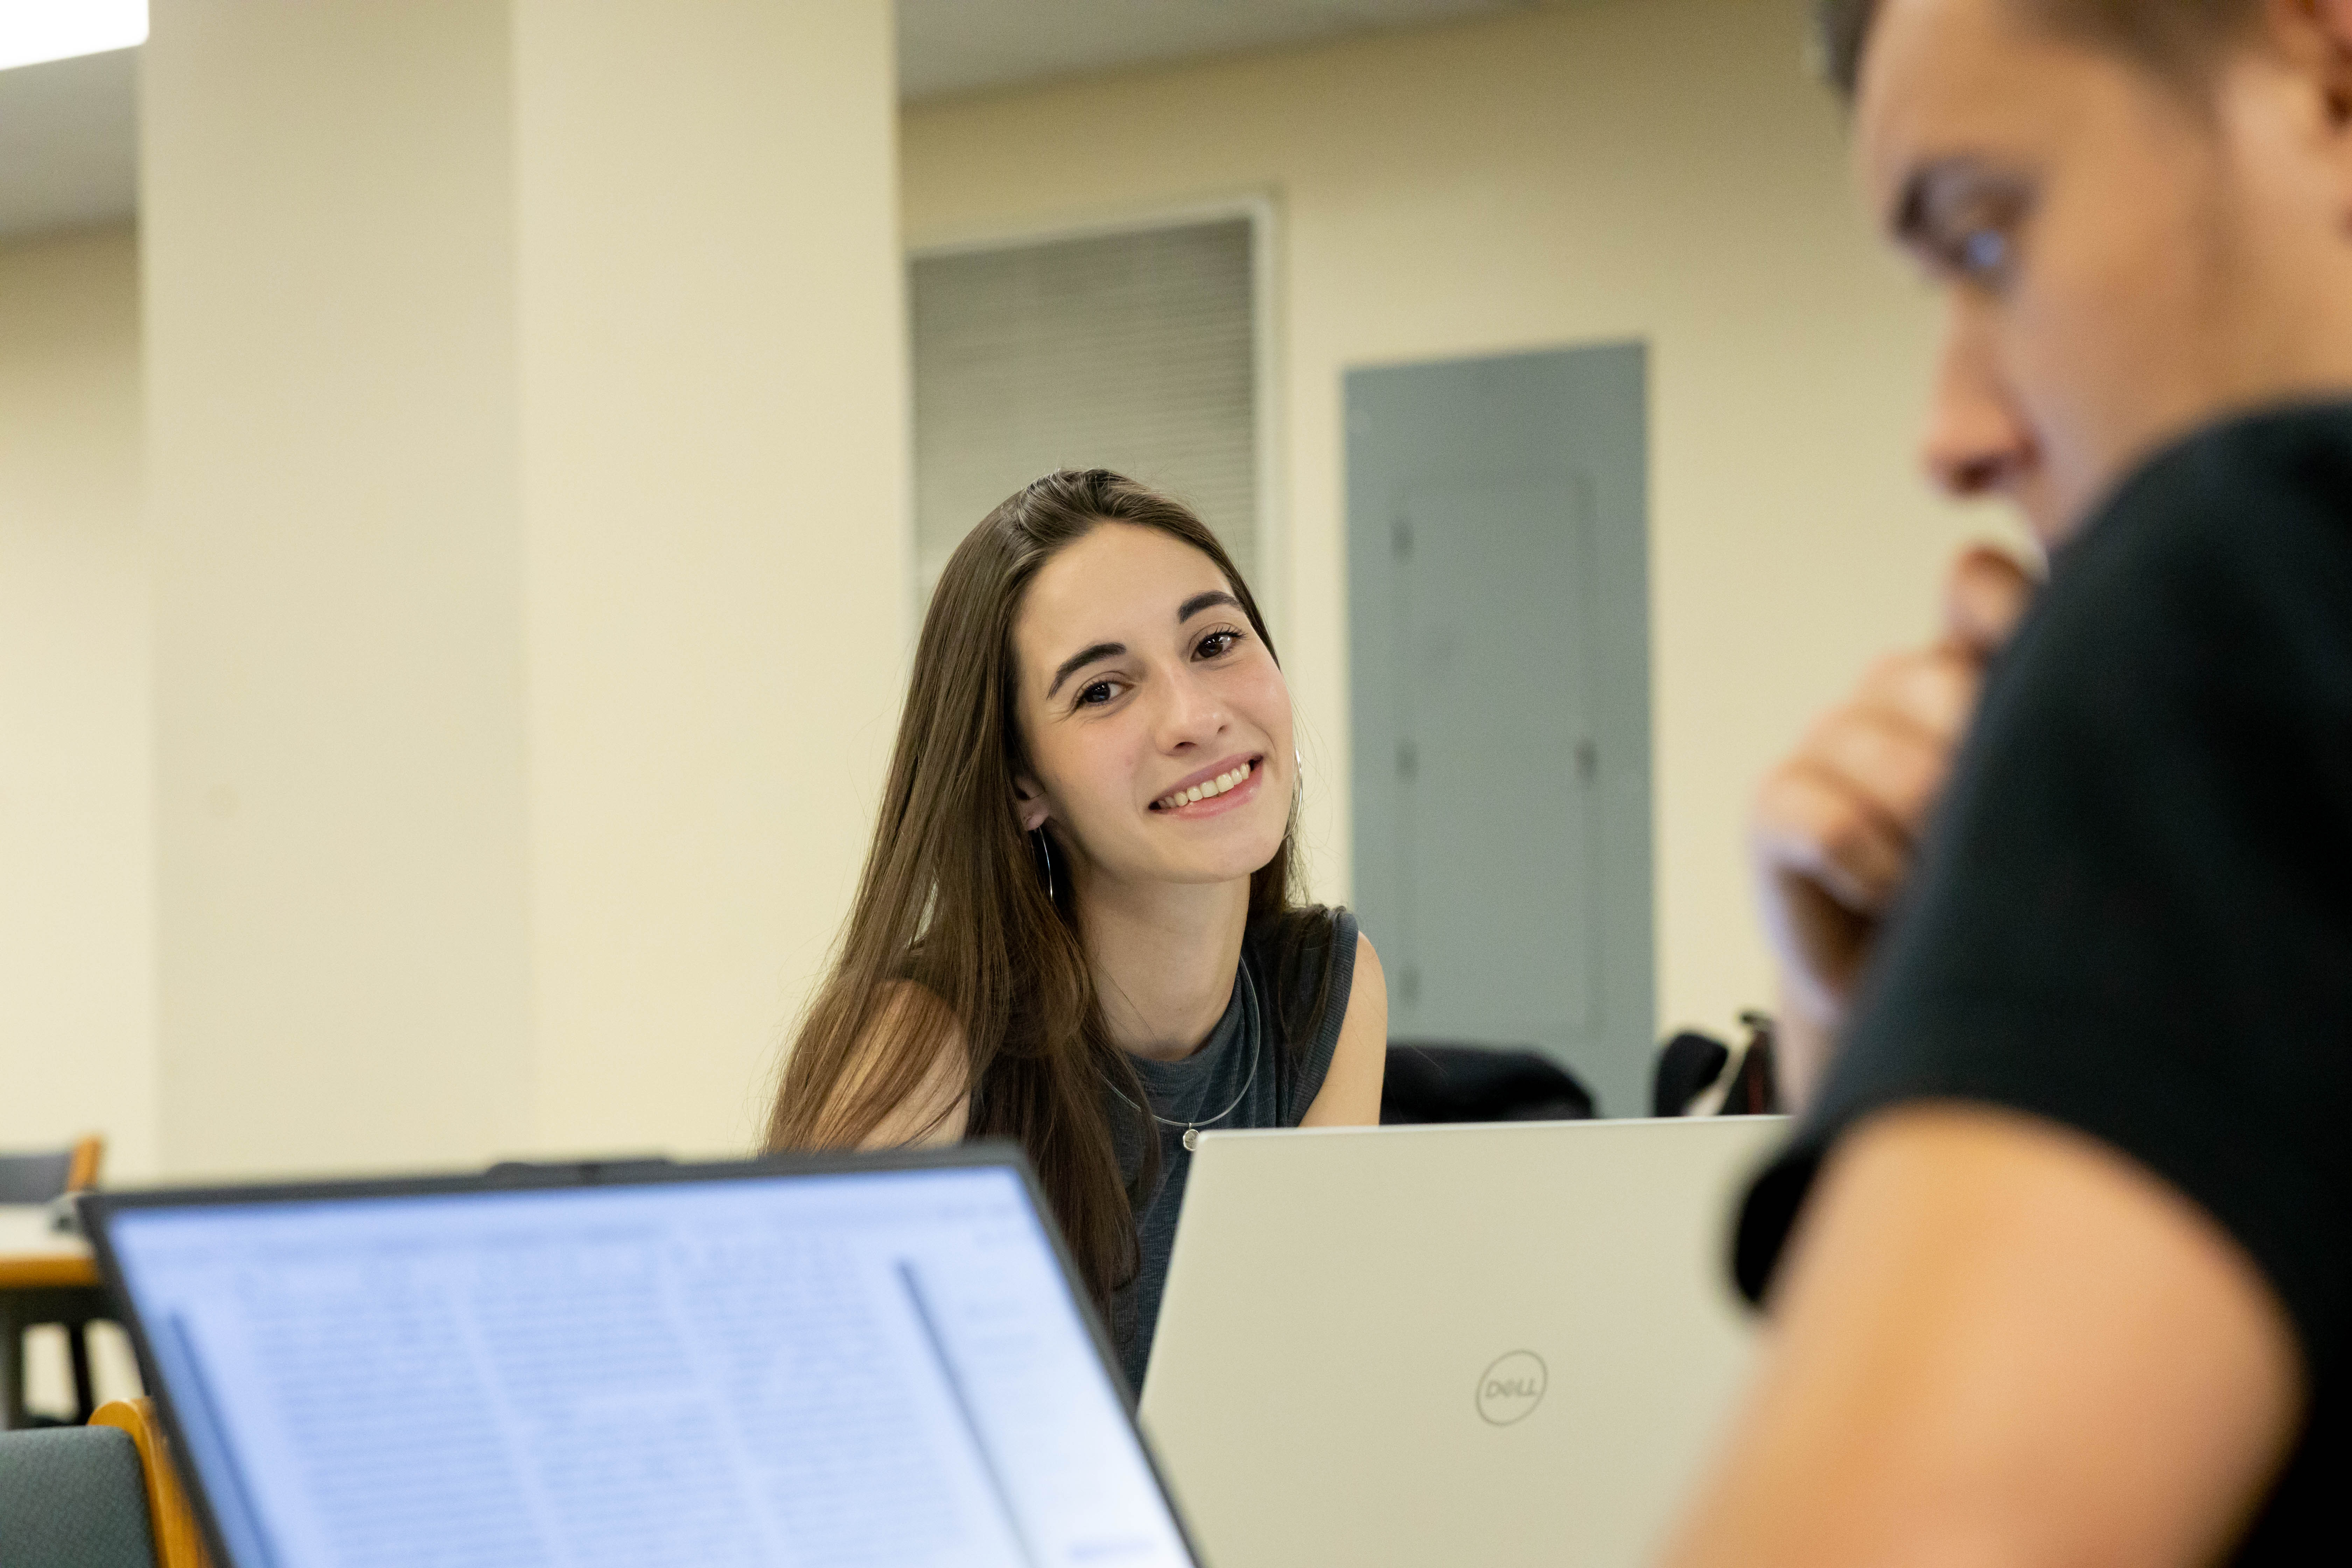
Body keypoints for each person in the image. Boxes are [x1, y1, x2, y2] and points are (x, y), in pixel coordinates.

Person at [1662, 1, 2352, 1563]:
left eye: (1985, 239)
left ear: (2326, 75)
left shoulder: (2244, 562)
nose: (1951, 435)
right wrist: (1949, 1011)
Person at [765, 469, 1387, 1390]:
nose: (1195, 716)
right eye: (1102, 691)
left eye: (1215, 642)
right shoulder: (925, 1039)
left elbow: (1306, 1392)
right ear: (1024, 786)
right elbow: (826, 1436)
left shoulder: (1325, 994)